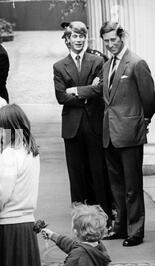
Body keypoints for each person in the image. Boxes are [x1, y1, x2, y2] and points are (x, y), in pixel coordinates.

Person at [99, 22, 155, 246]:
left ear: (122, 38)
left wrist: (143, 121)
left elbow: (150, 99)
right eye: (107, 41)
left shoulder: (136, 63)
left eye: (114, 39)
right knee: (116, 185)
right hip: (110, 133)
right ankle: (120, 227)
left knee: (132, 186)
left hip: (130, 133)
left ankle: (135, 231)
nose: (111, 44)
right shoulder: (107, 65)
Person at [53, 21, 113, 226]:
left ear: (85, 38)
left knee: (98, 172)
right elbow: (61, 97)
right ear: (68, 39)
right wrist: (88, 90)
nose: (78, 40)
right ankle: (79, 219)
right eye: (74, 37)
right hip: (72, 127)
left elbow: (100, 90)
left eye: (81, 36)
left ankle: (103, 217)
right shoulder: (59, 66)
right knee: (76, 174)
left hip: (94, 124)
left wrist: (76, 91)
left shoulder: (97, 61)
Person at [0, 103, 44, 266]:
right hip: (26, 222)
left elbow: (1, 194)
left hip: (7, 225)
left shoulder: (9, 154)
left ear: (9, 130)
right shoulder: (31, 151)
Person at [35, 203, 111, 266]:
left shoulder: (78, 255)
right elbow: (73, 246)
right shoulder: (97, 249)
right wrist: (52, 235)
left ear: (75, 232)